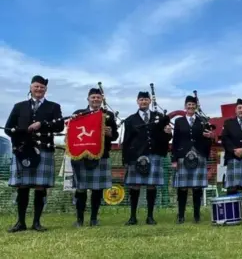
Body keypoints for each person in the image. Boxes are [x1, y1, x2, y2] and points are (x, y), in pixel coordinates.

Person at [4, 75, 64, 232]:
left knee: (40, 186)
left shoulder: (53, 107)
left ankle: (37, 222)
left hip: (44, 149)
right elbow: (9, 128)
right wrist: (19, 143)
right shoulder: (19, 106)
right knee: (22, 186)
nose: (39, 89)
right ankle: (21, 222)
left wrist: (42, 124)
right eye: (36, 86)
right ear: (30, 88)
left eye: (42, 87)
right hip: (23, 151)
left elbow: (59, 126)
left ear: (46, 89)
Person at [122, 91, 172, 225]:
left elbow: (165, 138)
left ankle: (150, 216)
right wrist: (126, 160)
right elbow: (126, 141)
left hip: (154, 154)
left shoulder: (159, 117)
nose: (143, 102)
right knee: (135, 186)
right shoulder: (130, 120)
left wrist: (168, 133)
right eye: (141, 100)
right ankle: (132, 217)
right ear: (137, 102)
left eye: (146, 100)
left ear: (150, 101)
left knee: (151, 185)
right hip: (136, 156)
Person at [71, 88, 118, 227]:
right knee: (81, 189)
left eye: (98, 97)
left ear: (101, 99)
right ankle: (79, 219)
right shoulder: (79, 114)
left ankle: (93, 219)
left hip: (101, 155)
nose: (96, 99)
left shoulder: (108, 115)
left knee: (97, 189)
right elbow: (71, 131)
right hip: (82, 155)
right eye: (93, 97)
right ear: (88, 99)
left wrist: (109, 133)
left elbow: (114, 136)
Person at [171, 95, 214, 224]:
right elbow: (175, 141)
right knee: (182, 188)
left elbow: (208, 138)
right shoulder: (179, 121)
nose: (190, 106)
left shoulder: (202, 120)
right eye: (188, 104)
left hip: (199, 155)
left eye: (193, 104)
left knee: (197, 187)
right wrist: (174, 159)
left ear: (196, 106)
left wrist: (210, 137)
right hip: (183, 156)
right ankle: (181, 215)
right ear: (185, 106)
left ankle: (196, 215)